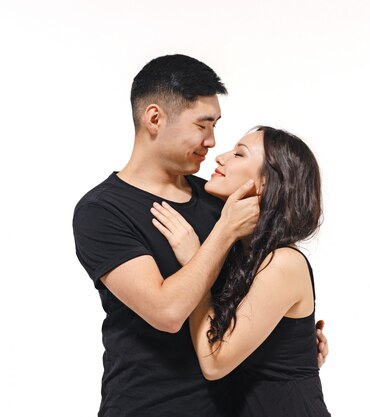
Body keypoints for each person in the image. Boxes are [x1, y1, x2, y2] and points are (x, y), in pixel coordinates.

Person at [72, 55, 328, 417]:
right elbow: (168, 311)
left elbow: (261, 289)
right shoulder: (103, 211)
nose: (212, 142)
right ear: (155, 118)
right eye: (202, 125)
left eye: (216, 126)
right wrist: (221, 234)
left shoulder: (218, 198)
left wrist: (291, 348)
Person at [151, 126, 331, 416]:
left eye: (238, 154)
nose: (220, 157)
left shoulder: (284, 262)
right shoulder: (242, 256)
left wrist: (196, 262)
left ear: (266, 183)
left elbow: (214, 362)